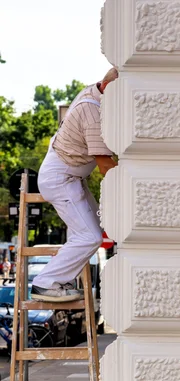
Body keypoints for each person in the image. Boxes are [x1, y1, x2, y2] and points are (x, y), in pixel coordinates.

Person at [31, 67, 118, 302]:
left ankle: (60, 279)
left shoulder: (94, 92)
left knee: (92, 232)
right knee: (90, 237)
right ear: (109, 88)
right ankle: (45, 284)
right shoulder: (93, 113)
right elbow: (105, 166)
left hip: (69, 177)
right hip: (62, 179)